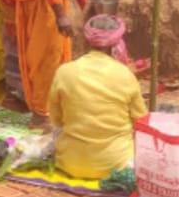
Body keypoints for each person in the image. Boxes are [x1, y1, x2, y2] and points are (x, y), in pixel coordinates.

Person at [48, 15, 148, 179]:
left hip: (69, 163)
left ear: (87, 41)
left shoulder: (64, 71)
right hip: (116, 165)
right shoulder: (125, 75)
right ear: (117, 44)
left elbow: (56, 119)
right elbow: (141, 120)